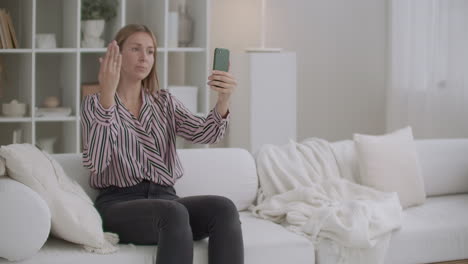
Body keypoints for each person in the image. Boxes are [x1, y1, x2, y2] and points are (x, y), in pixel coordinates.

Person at [81, 24, 243, 264]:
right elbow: (96, 161)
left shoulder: (164, 102)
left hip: (167, 203)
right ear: (116, 55)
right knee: (174, 212)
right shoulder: (94, 104)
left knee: (223, 208)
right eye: (136, 49)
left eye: (150, 51)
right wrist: (107, 97)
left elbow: (206, 133)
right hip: (118, 205)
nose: (144, 57)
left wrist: (223, 99)